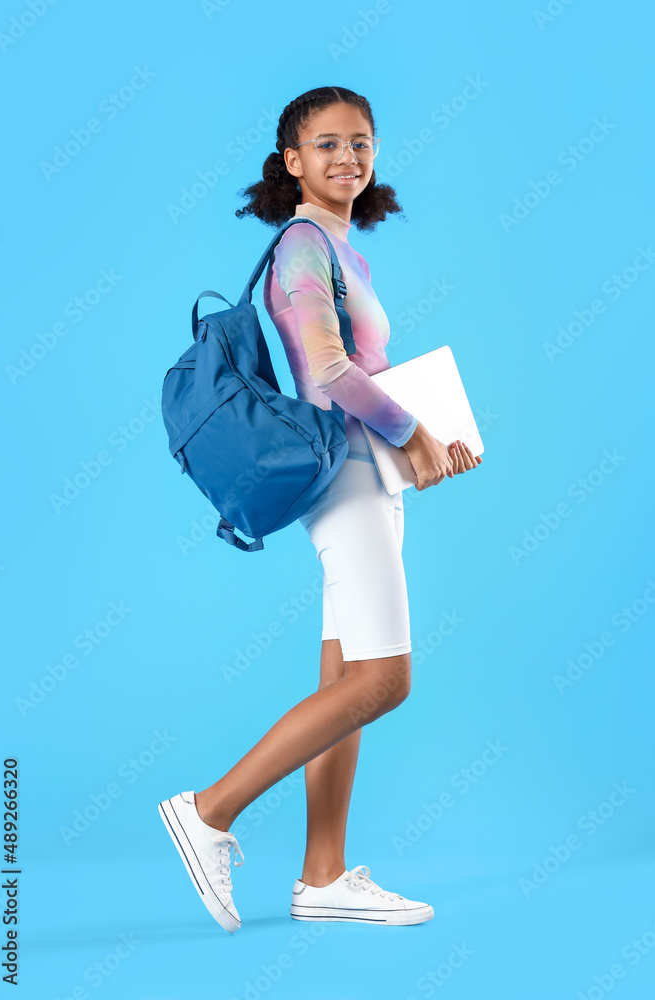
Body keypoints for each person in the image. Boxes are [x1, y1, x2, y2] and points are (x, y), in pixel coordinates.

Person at [158, 86, 482, 934]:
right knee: (384, 681)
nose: (348, 157)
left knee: (344, 675)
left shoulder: (342, 249)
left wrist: (426, 436)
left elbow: (356, 368)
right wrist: (412, 433)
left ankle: (323, 877)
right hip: (345, 476)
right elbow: (328, 371)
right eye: (328, 144)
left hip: (367, 474)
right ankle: (209, 810)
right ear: (292, 160)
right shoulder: (303, 244)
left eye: (362, 142)